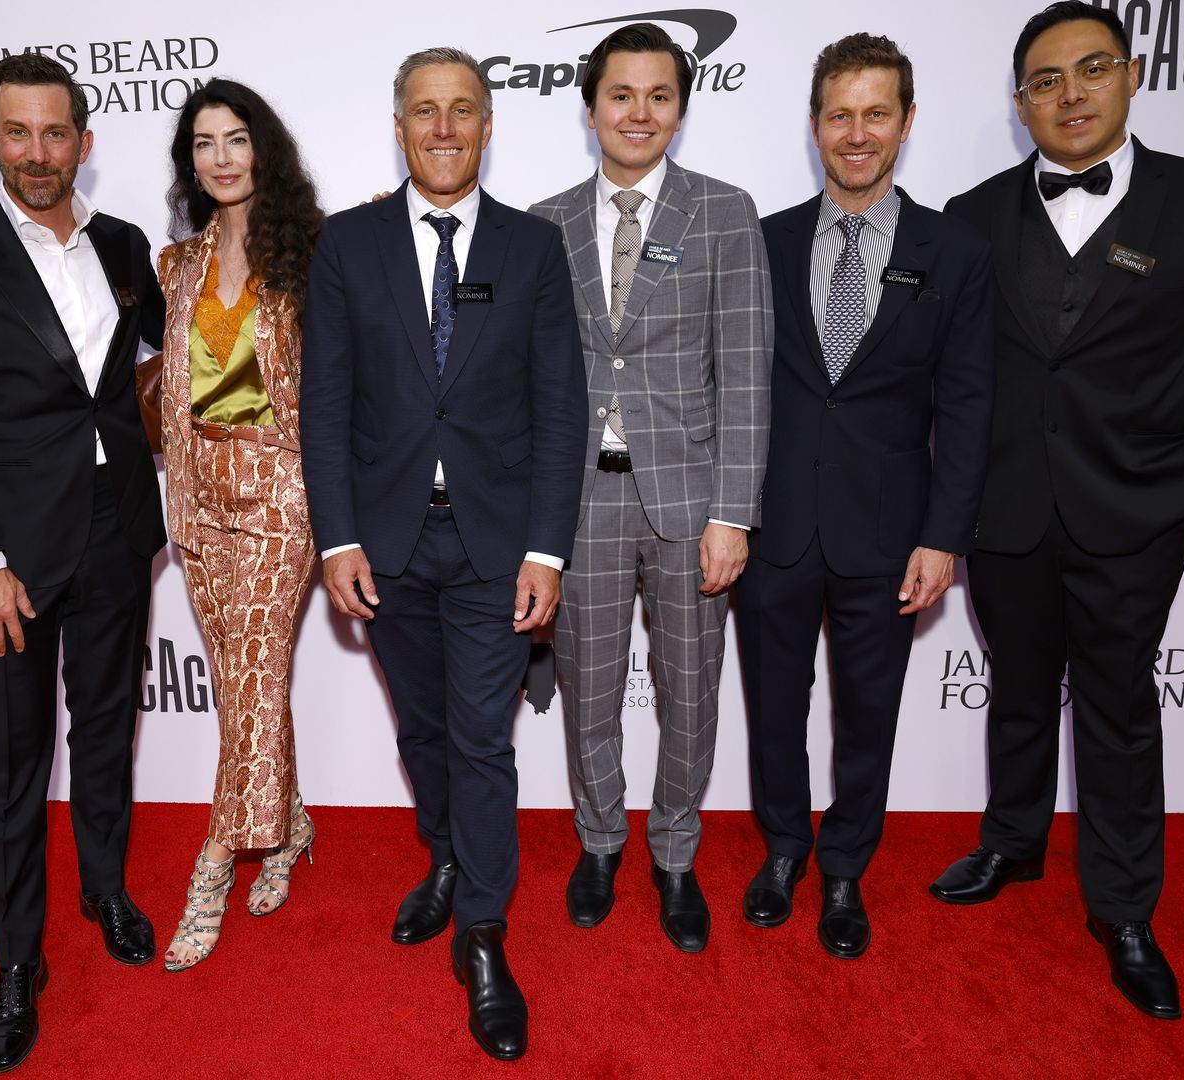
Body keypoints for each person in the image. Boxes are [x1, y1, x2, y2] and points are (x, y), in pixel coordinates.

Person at [928, 1, 1184, 1021]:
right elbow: (957, 378)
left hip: (1136, 512)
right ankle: (1012, 841)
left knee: (1119, 709)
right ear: (1021, 102)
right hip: (1008, 509)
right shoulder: (972, 215)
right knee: (1021, 688)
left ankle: (1124, 908)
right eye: (1045, 80)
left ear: (1131, 76)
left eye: (1089, 71)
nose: (1069, 94)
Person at [300, 47, 585, 1062]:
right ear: (400, 124)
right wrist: (335, 535)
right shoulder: (348, 244)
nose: (445, 128)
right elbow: (324, 404)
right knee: (422, 731)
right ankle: (449, 860)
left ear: (488, 123)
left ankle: (483, 939)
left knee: (481, 740)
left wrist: (549, 549)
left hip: (494, 547)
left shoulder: (532, 247)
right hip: (383, 541)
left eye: (463, 109)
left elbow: (562, 412)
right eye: (426, 110)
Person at [0, 53, 166, 1073]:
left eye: (57, 134)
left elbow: (161, 369)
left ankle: (105, 888)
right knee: (11, 765)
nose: (39, 153)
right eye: (19, 133)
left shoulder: (127, 246)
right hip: (8, 552)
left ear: (85, 142)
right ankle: (18, 963)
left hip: (115, 525)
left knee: (104, 727)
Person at [732, 32, 994, 960]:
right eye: (839, 114)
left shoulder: (953, 251)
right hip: (773, 529)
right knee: (772, 705)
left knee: (868, 713)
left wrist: (943, 537)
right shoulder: (762, 243)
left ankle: (845, 867)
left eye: (875, 113)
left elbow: (967, 408)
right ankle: (783, 852)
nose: (856, 132)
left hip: (891, 535)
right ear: (814, 127)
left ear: (907, 122)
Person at [527, 22, 771, 954]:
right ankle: (599, 844)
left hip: (690, 503)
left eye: (658, 95)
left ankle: (674, 852)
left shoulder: (725, 211)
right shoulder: (542, 222)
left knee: (690, 693)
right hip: (578, 501)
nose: (638, 112)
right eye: (620, 95)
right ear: (590, 108)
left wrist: (732, 513)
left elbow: (745, 373)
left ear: (680, 108)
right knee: (589, 692)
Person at [151, 79, 325, 972]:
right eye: (204, 143)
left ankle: (212, 866)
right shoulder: (172, 265)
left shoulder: (310, 253)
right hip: (196, 497)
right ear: (191, 159)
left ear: (265, 151)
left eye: (236, 139)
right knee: (240, 686)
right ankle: (289, 826)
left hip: (281, 497)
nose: (221, 157)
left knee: (254, 675)